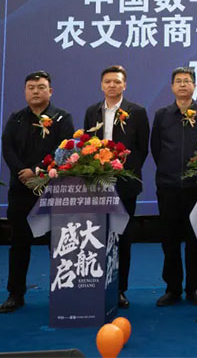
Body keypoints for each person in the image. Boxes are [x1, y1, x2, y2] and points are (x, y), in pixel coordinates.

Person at [0, 71, 74, 313]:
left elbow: (64, 149)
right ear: (25, 91)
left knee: (58, 244)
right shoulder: (16, 119)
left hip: (52, 189)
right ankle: (15, 293)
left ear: (50, 91)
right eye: (31, 87)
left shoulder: (62, 118)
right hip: (21, 188)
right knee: (19, 243)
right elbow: (7, 148)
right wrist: (22, 171)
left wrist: (38, 170)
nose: (35, 91)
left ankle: (64, 292)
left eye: (41, 87)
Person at [84, 65, 150, 308]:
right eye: (108, 82)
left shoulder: (137, 112)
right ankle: (97, 284)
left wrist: (124, 170)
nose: (112, 85)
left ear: (125, 85)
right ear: (101, 85)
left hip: (125, 184)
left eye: (117, 81)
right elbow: (87, 144)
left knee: (123, 236)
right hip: (97, 184)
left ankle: (120, 289)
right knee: (97, 236)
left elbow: (142, 148)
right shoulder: (92, 111)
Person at [151, 67, 197, 306]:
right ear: (172, 87)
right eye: (178, 81)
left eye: (187, 81)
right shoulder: (162, 115)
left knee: (193, 239)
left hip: (195, 186)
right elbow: (156, 148)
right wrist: (168, 170)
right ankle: (173, 288)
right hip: (167, 185)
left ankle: (193, 288)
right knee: (169, 240)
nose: (182, 85)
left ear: (194, 85)